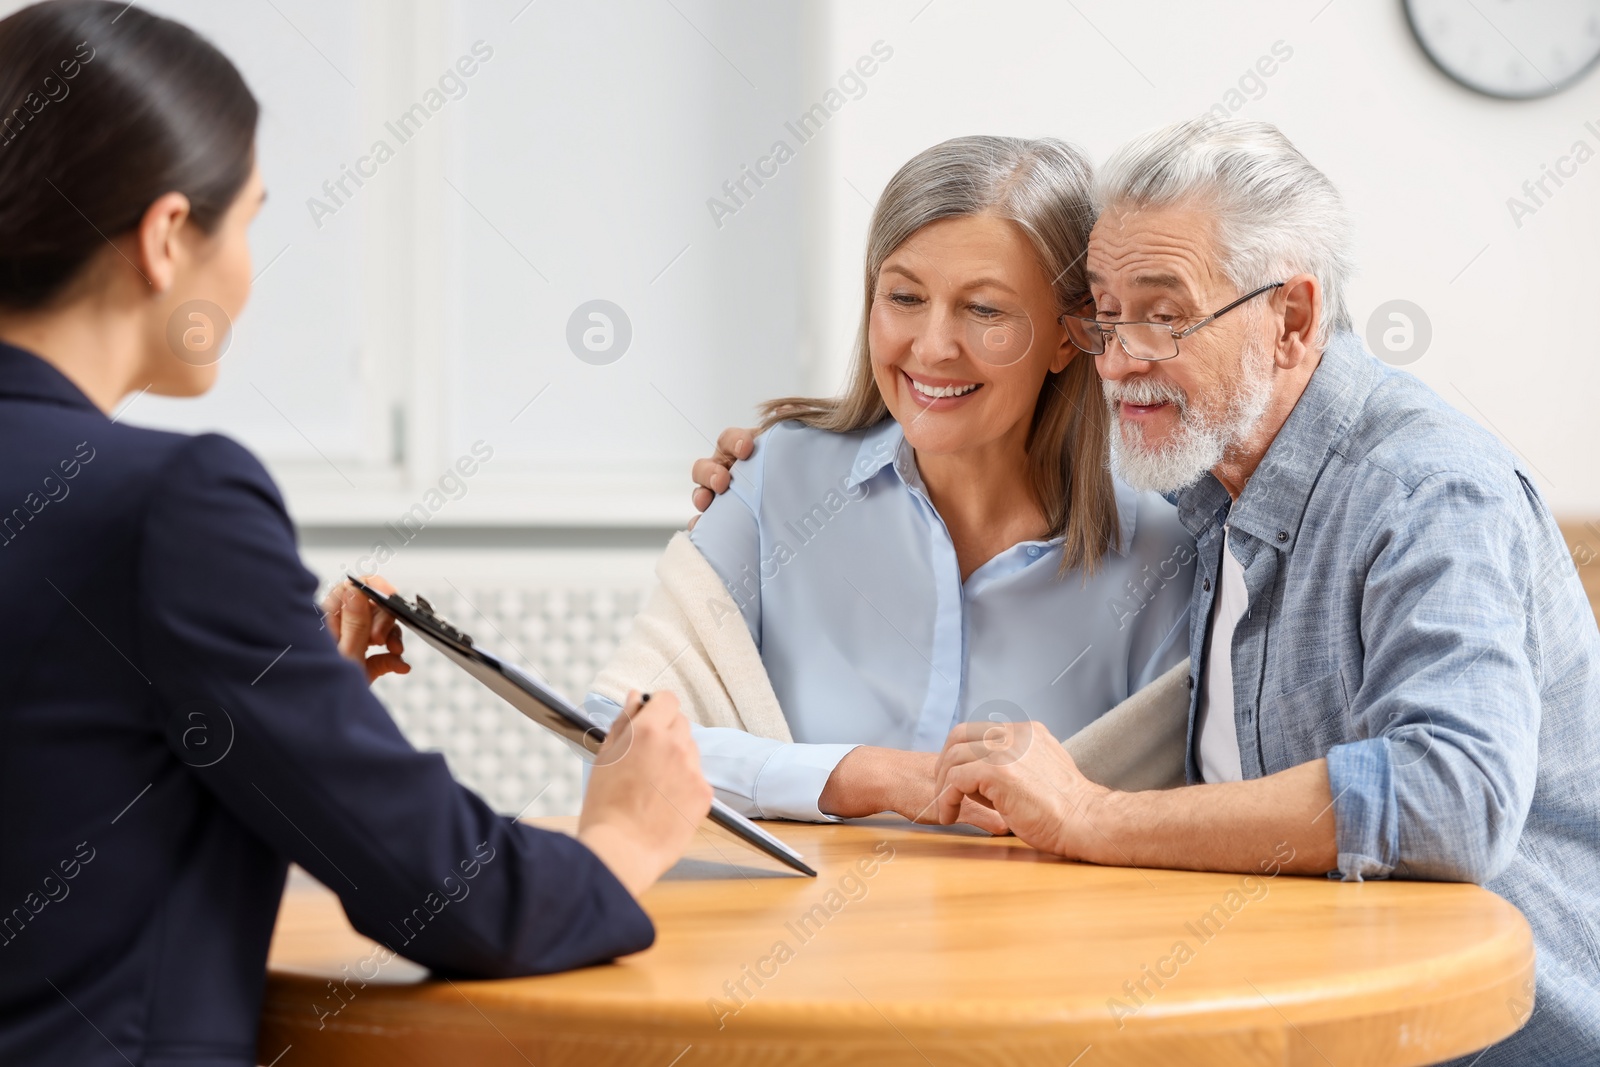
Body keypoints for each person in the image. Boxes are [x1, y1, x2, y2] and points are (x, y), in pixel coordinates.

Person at [694, 117, 1600, 1065]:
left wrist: (1094, 816)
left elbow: (1453, 793)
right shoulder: (1209, 484)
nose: (1119, 358)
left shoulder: (1424, 489)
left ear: (1291, 320)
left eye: (1165, 316)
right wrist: (778, 461)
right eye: (1105, 315)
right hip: (1303, 1016)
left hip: (1489, 1039)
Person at [0, 4, 710, 1065]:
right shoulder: (171, 503)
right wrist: (620, 837)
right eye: (247, 223)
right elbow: (444, 895)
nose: (247, 271)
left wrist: (283, 705)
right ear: (164, 239)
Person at [594, 135, 1193, 829]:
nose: (933, 346)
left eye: (986, 310)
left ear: (1070, 336)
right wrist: (866, 775)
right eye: (904, 296)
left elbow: (1175, 814)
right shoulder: (775, 481)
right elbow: (610, 741)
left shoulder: (1161, 543)